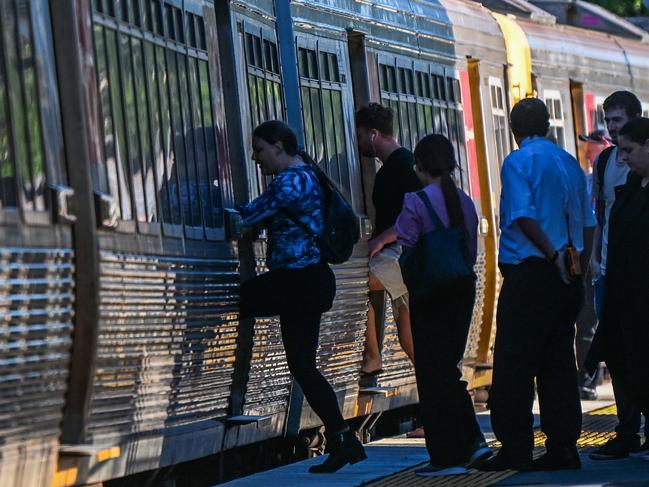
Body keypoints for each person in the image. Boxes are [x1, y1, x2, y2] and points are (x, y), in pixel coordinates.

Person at [239, 121, 366, 473]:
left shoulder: (292, 180)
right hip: (306, 282)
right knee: (303, 366)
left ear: (279, 146)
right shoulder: (307, 175)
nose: (255, 157)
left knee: (237, 300)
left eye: (260, 149)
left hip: (299, 282)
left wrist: (244, 222)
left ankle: (344, 438)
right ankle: (344, 440)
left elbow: (250, 213)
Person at [479, 98, 595, 472]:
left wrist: (551, 255)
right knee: (558, 362)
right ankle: (564, 447)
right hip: (568, 276)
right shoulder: (569, 163)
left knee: (514, 363)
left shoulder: (518, 162)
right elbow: (589, 222)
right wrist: (579, 262)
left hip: (532, 273)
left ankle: (515, 448)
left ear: (514, 131)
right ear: (546, 126)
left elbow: (523, 216)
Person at [395, 134, 491, 477]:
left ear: (420, 165)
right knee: (448, 369)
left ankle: (446, 457)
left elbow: (406, 246)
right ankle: (473, 442)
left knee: (432, 375)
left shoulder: (415, 200)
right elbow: (471, 252)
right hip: (462, 288)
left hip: (430, 292)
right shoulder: (464, 200)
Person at [588, 91, 649, 460]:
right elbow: (602, 216)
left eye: (618, 121)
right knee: (618, 352)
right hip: (612, 271)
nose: (611, 129)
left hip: (638, 278)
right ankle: (627, 430)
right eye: (608, 121)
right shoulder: (607, 161)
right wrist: (596, 257)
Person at [355, 104, 421, 376]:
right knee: (407, 330)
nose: (357, 143)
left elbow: (417, 213)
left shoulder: (403, 166)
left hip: (399, 254)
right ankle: (440, 389)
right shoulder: (398, 165)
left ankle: (373, 357)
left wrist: (380, 239)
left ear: (373, 134)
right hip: (398, 256)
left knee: (355, 285)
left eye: (359, 135)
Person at [575, 130, 611, 400]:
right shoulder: (586, 181)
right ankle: (587, 378)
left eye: (592, 146)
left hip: (604, 261)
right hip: (586, 260)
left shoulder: (606, 182)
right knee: (587, 322)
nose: (587, 151)